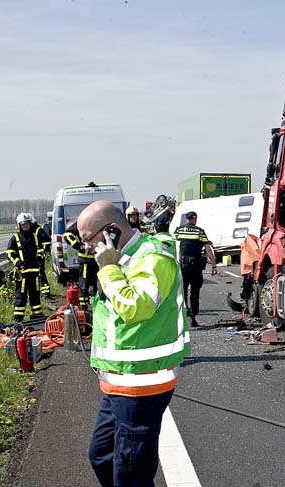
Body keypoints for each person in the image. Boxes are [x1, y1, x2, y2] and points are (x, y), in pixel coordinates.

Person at [78, 200, 190, 487]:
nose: (87, 247)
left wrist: (108, 270)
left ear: (111, 231)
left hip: (142, 383)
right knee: (101, 455)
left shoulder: (153, 258)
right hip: (120, 380)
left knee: (130, 474)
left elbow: (136, 307)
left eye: (88, 239)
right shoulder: (123, 258)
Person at [173, 211, 217, 327]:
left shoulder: (179, 230)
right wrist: (213, 265)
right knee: (195, 292)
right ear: (194, 220)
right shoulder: (199, 231)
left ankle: (184, 312)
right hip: (196, 265)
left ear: (186, 220)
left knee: (182, 292)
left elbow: (174, 246)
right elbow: (208, 249)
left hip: (182, 265)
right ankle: (193, 316)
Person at [6, 213, 45, 322]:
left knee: (35, 296)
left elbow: (41, 249)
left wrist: (40, 257)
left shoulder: (35, 237)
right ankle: (18, 320)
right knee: (20, 297)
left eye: (27, 224)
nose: (25, 226)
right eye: (23, 224)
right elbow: (9, 253)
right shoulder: (15, 238)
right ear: (19, 225)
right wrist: (17, 261)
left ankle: (37, 318)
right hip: (22, 275)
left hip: (34, 273)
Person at [63, 221, 98, 312]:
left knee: (98, 284)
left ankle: (98, 306)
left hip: (98, 259)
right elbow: (67, 235)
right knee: (84, 285)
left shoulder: (100, 222)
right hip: (85, 260)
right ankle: (83, 308)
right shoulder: (81, 223)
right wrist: (78, 246)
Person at [35, 220, 52, 297]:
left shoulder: (38, 230)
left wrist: (42, 252)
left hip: (39, 257)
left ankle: (45, 292)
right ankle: (41, 292)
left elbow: (47, 241)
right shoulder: (31, 231)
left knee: (41, 273)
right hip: (33, 258)